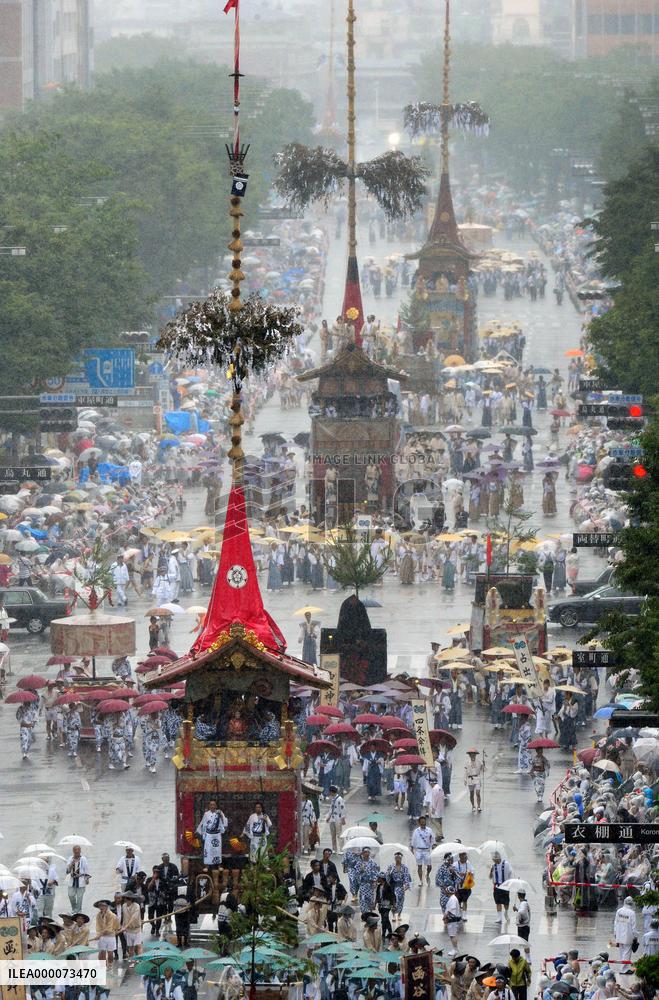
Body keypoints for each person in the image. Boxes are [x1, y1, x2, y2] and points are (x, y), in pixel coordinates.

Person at [196, 800, 228, 867]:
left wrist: (221, 816)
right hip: (209, 835)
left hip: (217, 835)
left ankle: (218, 864)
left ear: (216, 806)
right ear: (209, 806)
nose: (212, 806)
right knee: (208, 849)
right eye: (211, 805)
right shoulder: (206, 814)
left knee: (217, 850)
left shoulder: (219, 812)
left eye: (214, 804)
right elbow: (203, 824)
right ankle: (207, 865)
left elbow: (225, 823)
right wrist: (201, 833)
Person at [386, 852, 412, 924]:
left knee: (400, 901)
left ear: (401, 858)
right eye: (396, 858)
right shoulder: (391, 867)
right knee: (393, 901)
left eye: (399, 858)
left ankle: (399, 914)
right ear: (395, 858)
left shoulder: (404, 868)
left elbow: (407, 877)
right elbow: (387, 877)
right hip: (393, 886)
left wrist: (406, 885)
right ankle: (394, 915)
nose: (398, 859)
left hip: (401, 887)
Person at [410, 816, 435, 887]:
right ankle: (421, 881)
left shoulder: (429, 830)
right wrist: (412, 849)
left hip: (427, 850)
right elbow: (413, 841)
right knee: (419, 866)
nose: (423, 823)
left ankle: (427, 875)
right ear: (419, 823)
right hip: (419, 851)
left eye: (424, 822)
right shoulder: (416, 831)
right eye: (421, 822)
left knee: (429, 866)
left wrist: (433, 846)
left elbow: (432, 839)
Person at [94, 899, 120, 966]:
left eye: (103, 906)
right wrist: (99, 934)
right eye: (100, 906)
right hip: (101, 936)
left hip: (110, 936)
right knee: (102, 953)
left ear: (106, 906)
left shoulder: (111, 915)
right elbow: (98, 926)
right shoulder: (98, 915)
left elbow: (109, 927)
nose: (101, 907)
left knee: (110, 953)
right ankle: (103, 966)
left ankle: (110, 965)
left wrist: (100, 935)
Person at [354, 847, 380, 914]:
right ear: (362, 853)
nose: (367, 853)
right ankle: (364, 914)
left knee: (370, 899)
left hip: (370, 884)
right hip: (363, 883)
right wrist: (361, 871)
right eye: (365, 852)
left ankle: (370, 913)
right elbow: (356, 874)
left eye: (368, 852)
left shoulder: (372, 862)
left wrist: (375, 881)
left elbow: (376, 872)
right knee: (363, 899)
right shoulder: (359, 863)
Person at [490, 852, 513, 924]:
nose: (495, 861)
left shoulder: (506, 864)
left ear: (499, 858)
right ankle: (499, 917)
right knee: (498, 902)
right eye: (494, 860)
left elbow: (511, 873)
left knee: (506, 902)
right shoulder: (493, 866)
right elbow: (490, 877)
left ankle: (506, 912)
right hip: (496, 886)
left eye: (496, 859)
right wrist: (491, 871)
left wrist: (510, 883)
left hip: (505, 886)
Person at [66, 846, 91, 912]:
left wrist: (87, 878)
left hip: (81, 880)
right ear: (73, 851)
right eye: (75, 850)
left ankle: (78, 910)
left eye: (78, 850)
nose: (76, 852)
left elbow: (86, 869)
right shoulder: (70, 858)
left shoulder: (83, 859)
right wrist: (72, 863)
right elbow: (67, 870)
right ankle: (74, 909)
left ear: (80, 851)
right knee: (71, 895)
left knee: (80, 898)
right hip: (72, 881)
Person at [614, 896, 638, 963]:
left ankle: (623, 967)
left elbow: (615, 923)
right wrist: (635, 937)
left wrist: (615, 933)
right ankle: (624, 969)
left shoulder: (619, 911)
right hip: (628, 936)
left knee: (622, 952)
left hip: (619, 935)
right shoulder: (632, 913)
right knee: (627, 952)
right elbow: (634, 926)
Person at [119, 891, 143, 957]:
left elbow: (134, 917)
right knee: (131, 948)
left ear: (131, 899)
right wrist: (123, 926)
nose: (125, 900)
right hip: (129, 930)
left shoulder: (136, 906)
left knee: (138, 946)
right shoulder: (124, 906)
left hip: (136, 929)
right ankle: (132, 961)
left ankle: (140, 961)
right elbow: (124, 917)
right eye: (125, 898)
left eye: (127, 898)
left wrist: (126, 926)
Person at [443, 887, 463, 956]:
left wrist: (445, 917)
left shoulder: (453, 899)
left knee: (452, 935)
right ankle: (455, 948)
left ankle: (455, 949)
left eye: (446, 891)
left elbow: (451, 909)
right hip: (452, 920)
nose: (445, 892)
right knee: (452, 935)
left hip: (452, 920)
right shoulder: (453, 898)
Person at [326, 786, 346, 855]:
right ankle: (334, 849)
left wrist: (343, 818)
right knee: (333, 834)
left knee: (339, 834)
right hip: (332, 818)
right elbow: (330, 808)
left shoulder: (339, 799)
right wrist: (328, 817)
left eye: (330, 792)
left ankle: (341, 849)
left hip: (338, 818)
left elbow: (342, 808)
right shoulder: (332, 799)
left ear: (332, 792)